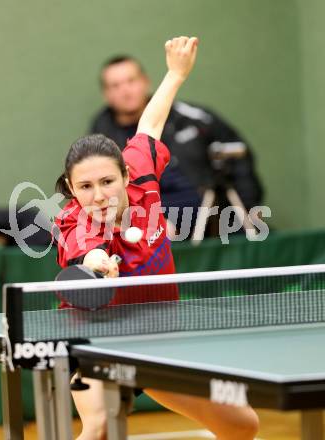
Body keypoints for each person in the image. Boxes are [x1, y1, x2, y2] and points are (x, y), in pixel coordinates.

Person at [53, 37, 259, 440]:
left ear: (127, 176)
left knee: (242, 425)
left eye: (108, 181)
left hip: (160, 332)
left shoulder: (142, 177)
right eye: (86, 186)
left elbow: (150, 123)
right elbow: (88, 254)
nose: (99, 195)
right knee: (98, 425)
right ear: (72, 189)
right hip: (95, 333)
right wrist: (99, 264)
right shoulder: (75, 219)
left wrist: (175, 73)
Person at [91, 54, 263, 238]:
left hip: (213, 217)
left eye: (131, 81)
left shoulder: (193, 118)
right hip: (148, 223)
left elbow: (238, 154)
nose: (125, 91)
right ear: (106, 94)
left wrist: (247, 208)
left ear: (146, 81)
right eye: (115, 86)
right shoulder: (100, 139)